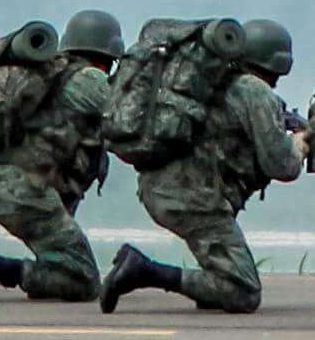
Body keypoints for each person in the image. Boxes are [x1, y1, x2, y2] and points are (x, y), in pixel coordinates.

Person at [103, 17, 304, 314]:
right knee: (243, 291)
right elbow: (283, 166)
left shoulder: (215, 83)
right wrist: (300, 143)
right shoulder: (254, 91)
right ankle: (141, 271)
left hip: (164, 188)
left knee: (223, 270)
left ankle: (209, 287)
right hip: (192, 197)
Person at [0, 9, 126, 304]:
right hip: (23, 187)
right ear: (111, 54)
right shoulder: (89, 80)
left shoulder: (51, 76)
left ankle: (19, 270)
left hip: (4, 181)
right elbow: (130, 121)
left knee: (63, 264)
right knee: (83, 280)